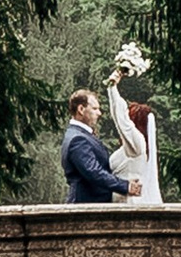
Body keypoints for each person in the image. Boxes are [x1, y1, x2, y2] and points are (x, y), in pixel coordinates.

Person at [104, 43, 163, 206]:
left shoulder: (137, 145)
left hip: (130, 203)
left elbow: (122, 121)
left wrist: (112, 87)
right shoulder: (133, 147)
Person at [62, 89, 136, 204]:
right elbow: (93, 172)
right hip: (85, 206)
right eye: (95, 109)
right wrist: (126, 186)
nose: (99, 113)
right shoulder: (78, 139)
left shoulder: (78, 134)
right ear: (81, 109)